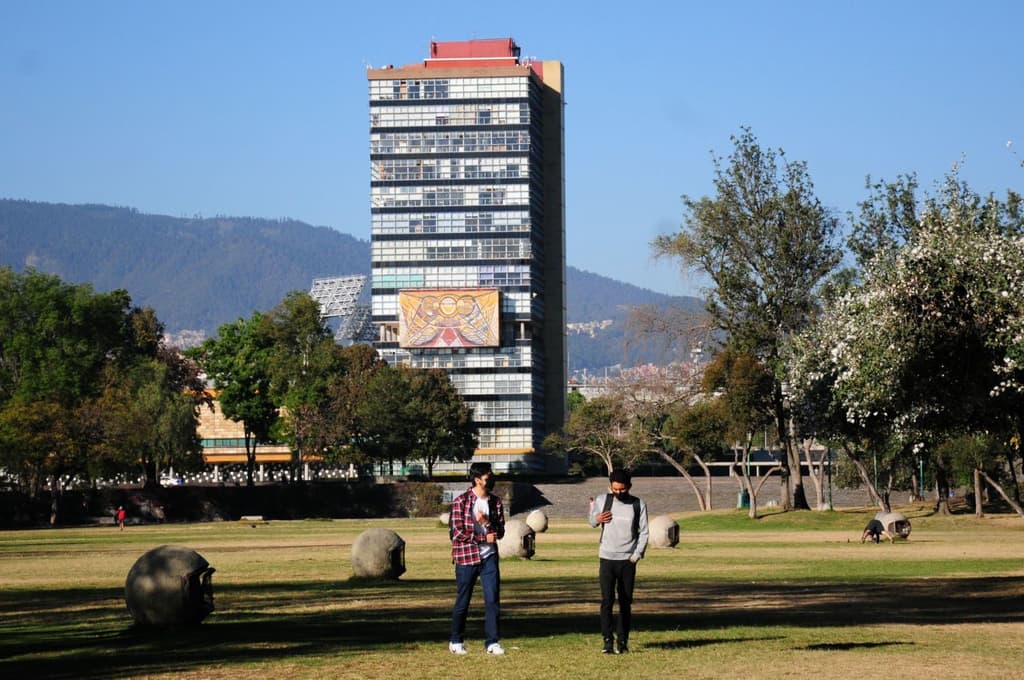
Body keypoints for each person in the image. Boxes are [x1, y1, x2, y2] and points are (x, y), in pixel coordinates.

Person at [448, 461, 506, 655]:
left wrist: (485, 522)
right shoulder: (461, 502)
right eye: (488, 478)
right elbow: (457, 532)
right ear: (477, 479)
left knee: (492, 600)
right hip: (466, 558)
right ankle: (456, 640)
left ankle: (492, 642)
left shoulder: (496, 502)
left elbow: (500, 532)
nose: (491, 481)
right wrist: (482, 537)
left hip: (489, 557)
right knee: (463, 600)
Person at [588, 469, 649, 654]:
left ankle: (623, 641)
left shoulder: (638, 504)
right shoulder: (602, 500)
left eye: (622, 489)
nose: (618, 493)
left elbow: (644, 532)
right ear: (610, 486)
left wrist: (636, 555)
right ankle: (607, 640)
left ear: (629, 487)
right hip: (607, 558)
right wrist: (596, 518)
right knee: (607, 600)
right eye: (615, 489)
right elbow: (591, 522)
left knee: (625, 602)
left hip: (627, 561)